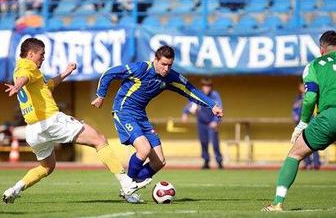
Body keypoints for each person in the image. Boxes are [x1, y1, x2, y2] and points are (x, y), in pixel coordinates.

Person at [2, 37, 151, 204]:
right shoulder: (27, 66)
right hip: (51, 120)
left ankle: (14, 189)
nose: (43, 58)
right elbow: (24, 77)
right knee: (99, 139)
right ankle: (127, 184)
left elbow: (47, 85)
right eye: (41, 54)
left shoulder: (21, 68)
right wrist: (18, 85)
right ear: (30, 54)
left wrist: (66, 72)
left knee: (47, 167)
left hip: (34, 129)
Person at [91, 45, 223, 184]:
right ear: (156, 60)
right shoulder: (141, 69)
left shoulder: (171, 77)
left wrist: (212, 105)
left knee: (159, 161)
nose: (166, 69)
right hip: (123, 111)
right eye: (163, 64)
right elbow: (109, 73)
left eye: (169, 65)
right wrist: (101, 95)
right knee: (144, 149)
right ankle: (128, 187)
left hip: (141, 116)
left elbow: (190, 90)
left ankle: (133, 183)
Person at [262, 30, 336, 212]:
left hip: (330, 117)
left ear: (321, 49)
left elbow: (310, 97)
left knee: (295, 154)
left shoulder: (315, 65)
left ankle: (278, 203)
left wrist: (302, 123)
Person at [181, 78, 223, 169]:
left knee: (215, 143)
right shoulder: (199, 94)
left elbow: (219, 107)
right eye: (205, 86)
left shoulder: (214, 95)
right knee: (203, 142)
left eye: (208, 86)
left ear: (211, 87)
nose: (206, 88)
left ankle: (219, 161)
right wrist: (185, 113)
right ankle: (206, 161)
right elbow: (190, 104)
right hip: (201, 122)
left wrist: (216, 121)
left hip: (212, 123)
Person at [292, 82, 320, 170]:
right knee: (302, 143)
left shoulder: (312, 95)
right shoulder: (298, 98)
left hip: (312, 122)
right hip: (301, 123)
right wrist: (296, 119)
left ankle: (316, 163)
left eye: (304, 86)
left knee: (313, 143)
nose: (303, 87)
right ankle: (307, 163)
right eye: (301, 86)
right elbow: (294, 110)